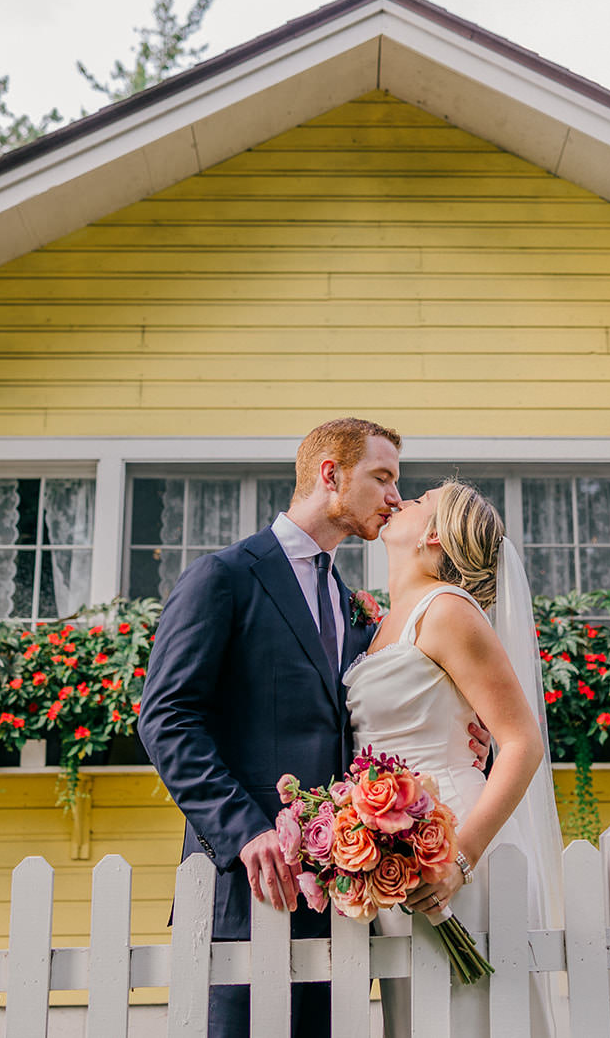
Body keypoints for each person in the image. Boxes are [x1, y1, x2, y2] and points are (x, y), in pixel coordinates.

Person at [137, 418, 489, 1038]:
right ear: (331, 475)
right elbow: (166, 717)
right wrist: (245, 832)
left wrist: (464, 724)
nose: (394, 497)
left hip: (343, 900)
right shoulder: (224, 577)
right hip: (248, 890)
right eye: (381, 477)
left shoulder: (355, 606)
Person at [347, 481, 563, 1037]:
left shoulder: (446, 611)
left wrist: (459, 859)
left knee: (471, 1019)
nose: (402, 500)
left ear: (435, 535)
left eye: (419, 500)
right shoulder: (384, 623)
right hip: (390, 845)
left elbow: (521, 741)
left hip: (450, 842)